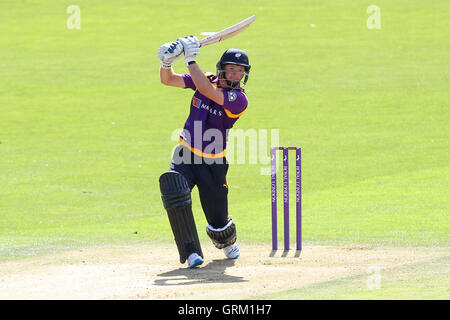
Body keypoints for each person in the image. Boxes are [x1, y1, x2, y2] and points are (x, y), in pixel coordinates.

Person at [157, 35, 251, 268]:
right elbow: (168, 81)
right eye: (231, 70)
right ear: (221, 70)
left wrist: (190, 59)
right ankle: (190, 252)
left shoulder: (239, 99)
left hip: (213, 162)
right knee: (174, 194)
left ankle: (226, 241)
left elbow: (208, 91)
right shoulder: (206, 77)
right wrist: (166, 63)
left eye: (240, 71)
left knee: (218, 221)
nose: (235, 75)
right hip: (185, 153)